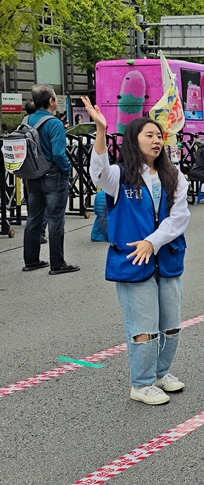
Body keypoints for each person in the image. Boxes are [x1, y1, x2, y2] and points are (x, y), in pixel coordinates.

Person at [81, 95, 190, 405]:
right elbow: (98, 172)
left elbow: (180, 217)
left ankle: (160, 373)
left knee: (170, 325)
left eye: (159, 136)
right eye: (149, 135)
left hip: (166, 257)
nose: (156, 141)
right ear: (134, 140)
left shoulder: (174, 176)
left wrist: (153, 241)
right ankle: (140, 384)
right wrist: (101, 131)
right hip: (132, 261)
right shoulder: (119, 175)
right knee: (143, 327)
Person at [21, 84, 79, 275]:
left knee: (34, 218)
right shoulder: (55, 123)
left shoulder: (26, 119)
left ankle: (31, 260)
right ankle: (57, 263)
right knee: (56, 219)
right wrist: (68, 169)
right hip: (53, 175)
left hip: (32, 174)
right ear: (51, 101)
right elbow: (58, 153)